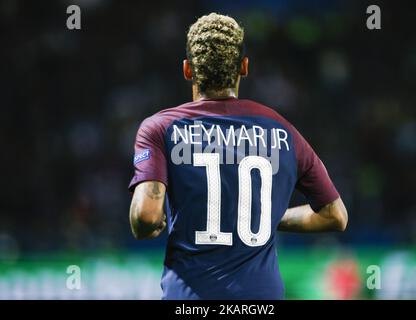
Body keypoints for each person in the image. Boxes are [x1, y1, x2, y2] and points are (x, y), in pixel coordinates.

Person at [128, 13, 347, 300]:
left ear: (187, 70)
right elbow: (335, 216)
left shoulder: (159, 128)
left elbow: (145, 216)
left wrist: (147, 223)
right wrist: (265, 216)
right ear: (244, 67)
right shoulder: (283, 131)